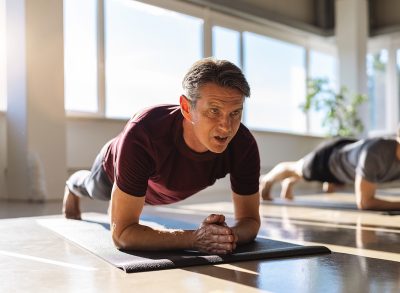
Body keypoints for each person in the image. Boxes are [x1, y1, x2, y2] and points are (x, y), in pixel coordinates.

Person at [62, 58, 261, 255]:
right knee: (92, 189)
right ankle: (72, 184)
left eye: (235, 113)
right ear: (186, 108)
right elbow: (122, 235)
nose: (226, 127)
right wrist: (195, 238)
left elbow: (250, 221)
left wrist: (225, 236)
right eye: (214, 110)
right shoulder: (143, 133)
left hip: (157, 185)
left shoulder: (243, 145)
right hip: (111, 170)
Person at [259, 133, 400, 211]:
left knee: (304, 174)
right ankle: (267, 180)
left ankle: (289, 182)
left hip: (346, 161)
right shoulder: (376, 153)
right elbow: (365, 202)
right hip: (330, 158)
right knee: (296, 169)